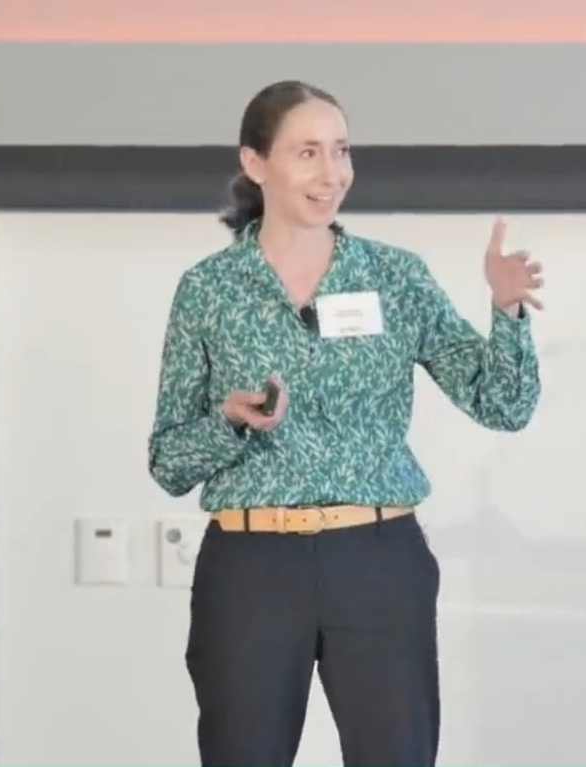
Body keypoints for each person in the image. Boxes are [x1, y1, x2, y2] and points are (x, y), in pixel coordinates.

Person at [147, 80, 544, 767]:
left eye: (341, 151)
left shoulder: (396, 276)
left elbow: (500, 405)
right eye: (307, 153)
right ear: (255, 163)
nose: (332, 173)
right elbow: (168, 461)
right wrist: (230, 421)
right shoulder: (208, 289)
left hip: (378, 558)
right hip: (252, 567)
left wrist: (505, 312)